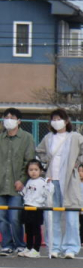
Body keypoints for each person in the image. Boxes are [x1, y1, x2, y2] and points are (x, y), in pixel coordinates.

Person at [35, 109, 83, 260]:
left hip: (69, 181)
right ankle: (54, 247)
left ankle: (71, 248)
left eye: (59, 118)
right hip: (52, 181)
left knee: (71, 218)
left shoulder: (74, 137)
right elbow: (39, 152)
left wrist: (78, 161)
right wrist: (46, 162)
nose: (56, 121)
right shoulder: (48, 138)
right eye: (53, 119)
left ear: (66, 120)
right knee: (52, 217)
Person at [0, 108, 35, 255]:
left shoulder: (27, 138)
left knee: (15, 217)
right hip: (1, 185)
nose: (8, 119)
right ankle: (6, 244)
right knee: (2, 218)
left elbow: (29, 161)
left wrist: (22, 180)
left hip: (17, 185)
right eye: (6, 117)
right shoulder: (1, 138)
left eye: (12, 117)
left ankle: (20, 243)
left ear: (19, 121)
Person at [17, 159, 49, 257]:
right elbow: (25, 193)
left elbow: (47, 194)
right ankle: (28, 247)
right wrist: (21, 190)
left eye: (36, 169)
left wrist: (49, 185)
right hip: (27, 206)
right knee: (28, 229)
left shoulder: (43, 182)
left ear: (41, 171)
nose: (33, 172)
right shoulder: (28, 181)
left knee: (36, 229)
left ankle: (36, 250)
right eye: (31, 170)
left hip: (37, 208)